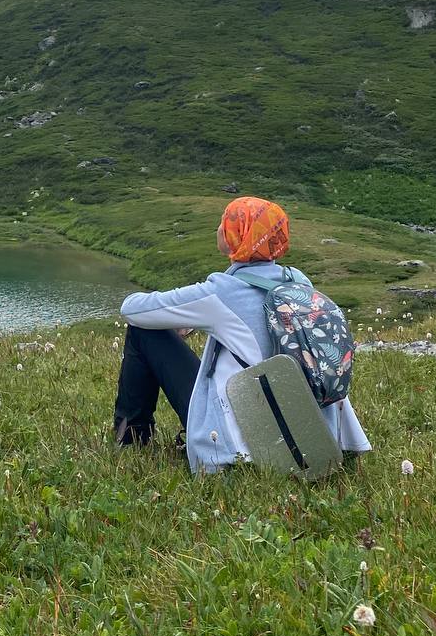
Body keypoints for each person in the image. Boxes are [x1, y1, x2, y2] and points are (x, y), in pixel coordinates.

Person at [114, 195, 371, 473]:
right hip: (310, 428)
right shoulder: (297, 280)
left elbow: (132, 309)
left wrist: (182, 320)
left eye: (225, 224)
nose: (219, 229)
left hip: (248, 433)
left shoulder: (223, 291)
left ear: (236, 236)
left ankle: (132, 438)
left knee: (143, 331)